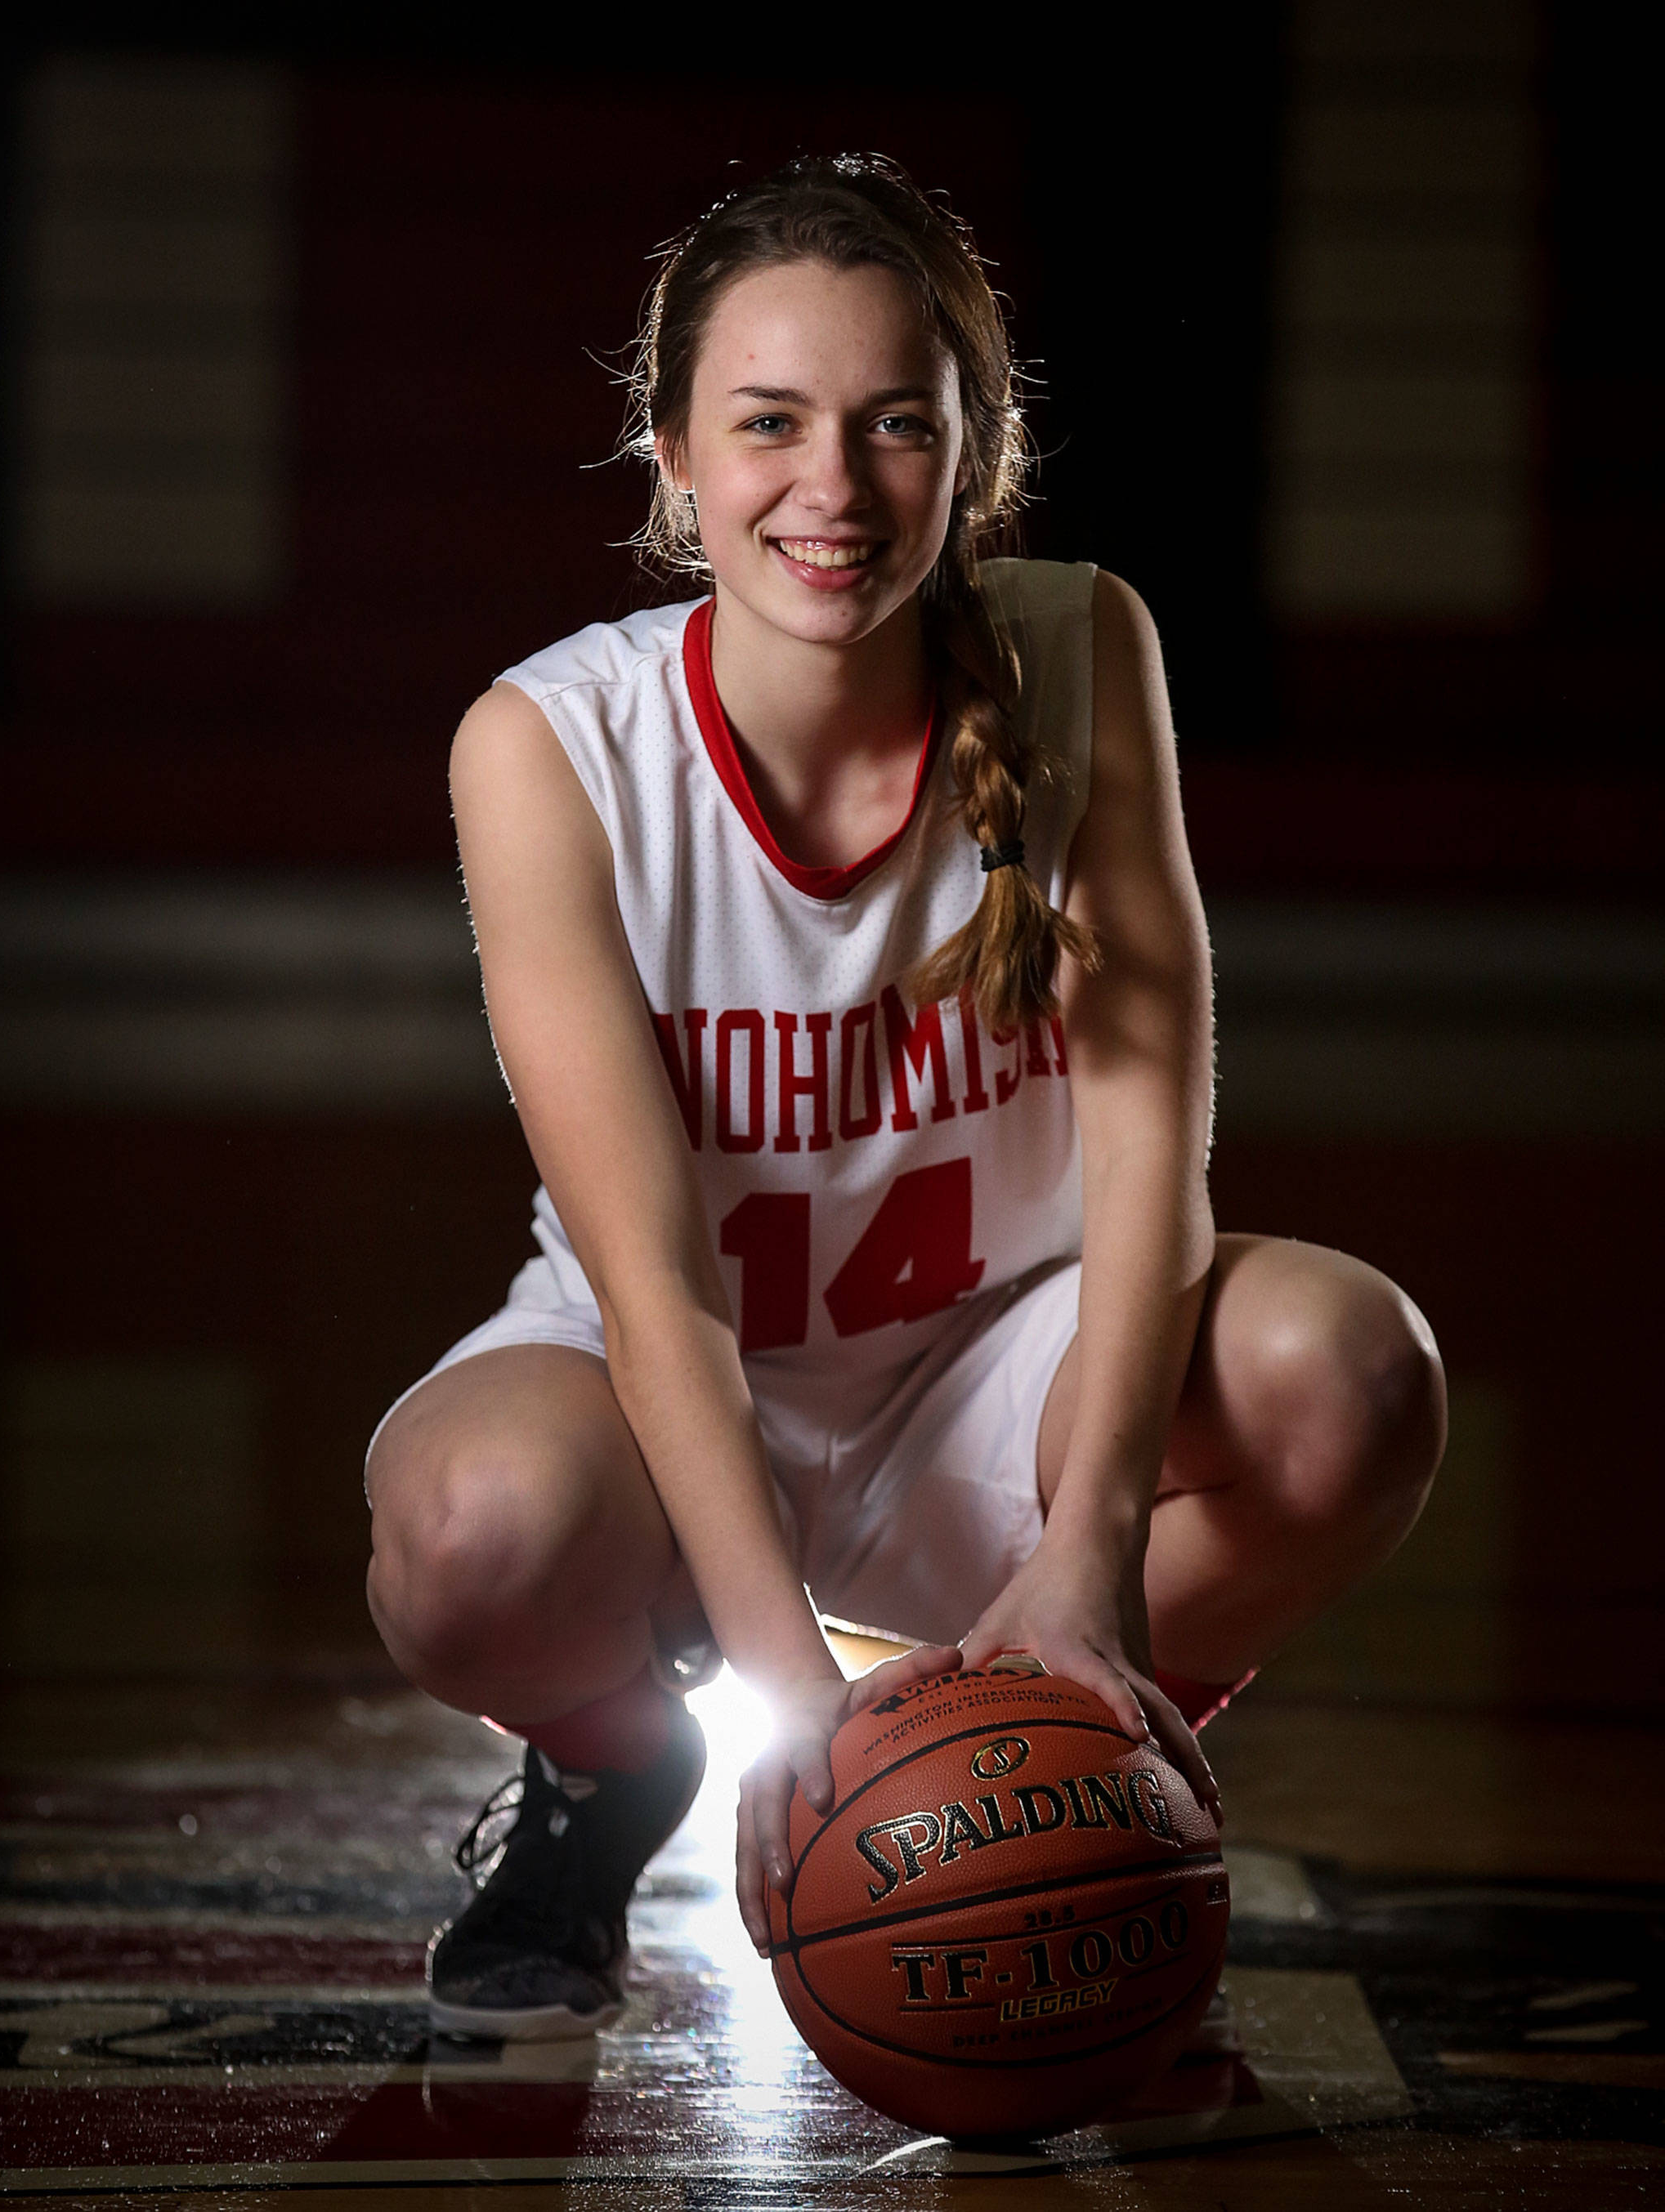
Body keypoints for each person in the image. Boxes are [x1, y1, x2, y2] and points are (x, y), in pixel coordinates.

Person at [363, 154, 1447, 2043]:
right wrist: (793, 1699)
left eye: (893, 426)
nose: (833, 489)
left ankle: (1073, 1722)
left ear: (973, 448)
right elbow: (657, 1292)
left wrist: (1092, 1543)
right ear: (673, 449)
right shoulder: (549, 745)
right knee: (467, 1537)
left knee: (1351, 1375)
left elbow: (1143, 1171)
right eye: (768, 424)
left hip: (1001, 1381)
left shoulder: (1075, 649)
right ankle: (611, 1768)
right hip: (682, 1394)